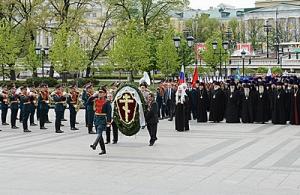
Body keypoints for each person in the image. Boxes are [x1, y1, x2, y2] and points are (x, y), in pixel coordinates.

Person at [90, 87, 112, 155]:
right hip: (96, 118)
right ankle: (103, 150)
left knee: (99, 132)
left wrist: (108, 121)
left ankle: (94, 144)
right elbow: (88, 102)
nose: (100, 93)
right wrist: (93, 96)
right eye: (99, 92)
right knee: (99, 134)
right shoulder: (95, 100)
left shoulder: (107, 102)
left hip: (103, 118)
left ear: (105, 94)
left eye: (102, 92)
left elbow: (109, 112)